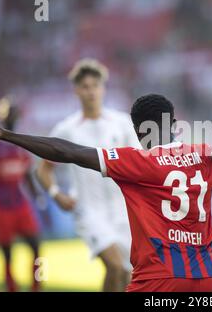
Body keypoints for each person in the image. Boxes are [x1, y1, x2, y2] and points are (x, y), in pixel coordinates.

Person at [0, 93, 212, 292]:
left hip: (157, 280)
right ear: (175, 125)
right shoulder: (207, 156)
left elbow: (67, 151)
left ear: (137, 132)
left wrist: (5, 135)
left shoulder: (136, 161)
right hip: (206, 280)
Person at [36, 59, 140, 292]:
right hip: (88, 211)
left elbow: (138, 161)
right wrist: (55, 193)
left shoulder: (121, 123)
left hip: (123, 211)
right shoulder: (67, 128)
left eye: (95, 85)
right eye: (85, 86)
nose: (91, 91)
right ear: (76, 90)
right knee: (114, 266)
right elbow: (42, 168)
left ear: (103, 88)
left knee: (126, 274)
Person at [0, 98, 42, 292]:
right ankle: (11, 288)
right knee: (7, 254)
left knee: (37, 248)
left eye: (14, 111)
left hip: (21, 203)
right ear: (0, 115)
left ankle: (37, 285)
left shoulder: (22, 141)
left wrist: (37, 195)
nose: (11, 115)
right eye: (7, 111)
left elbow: (28, 172)